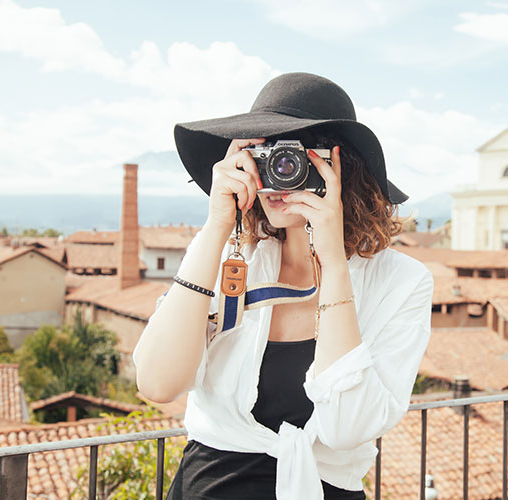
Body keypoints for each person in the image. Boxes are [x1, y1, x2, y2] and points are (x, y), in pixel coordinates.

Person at [132, 72, 434, 500]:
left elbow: (348, 428)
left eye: (295, 157)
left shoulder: (402, 282)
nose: (279, 171)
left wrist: (332, 261)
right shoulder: (229, 258)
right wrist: (218, 224)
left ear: (341, 167)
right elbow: (158, 384)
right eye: (262, 154)